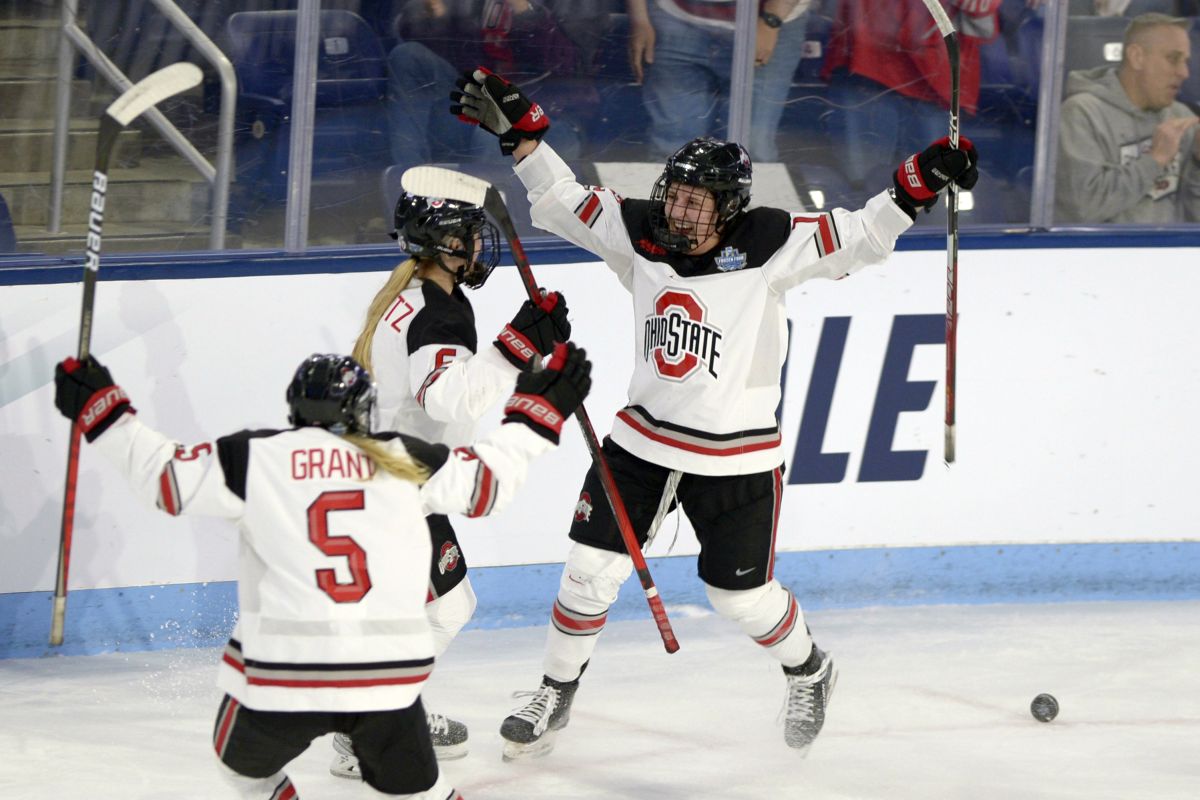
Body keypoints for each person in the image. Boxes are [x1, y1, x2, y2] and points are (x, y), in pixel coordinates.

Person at [449, 68, 978, 758]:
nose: (682, 213)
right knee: (588, 567)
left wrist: (920, 180)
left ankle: (809, 667)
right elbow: (558, 199)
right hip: (641, 441)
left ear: (729, 209)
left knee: (739, 599)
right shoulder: (637, 229)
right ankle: (555, 691)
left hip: (738, 455)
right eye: (678, 197)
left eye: (701, 203)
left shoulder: (771, 240)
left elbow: (862, 237)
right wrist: (522, 133)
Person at [51, 344, 592, 799]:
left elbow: (164, 476)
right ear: (363, 410)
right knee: (421, 792)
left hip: (283, 677)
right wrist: (538, 410)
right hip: (383, 680)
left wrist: (103, 410)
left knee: (240, 768)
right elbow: (487, 482)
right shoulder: (399, 458)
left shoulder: (255, 456)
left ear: (295, 408)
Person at [327, 190, 572, 777]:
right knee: (450, 606)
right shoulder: (439, 310)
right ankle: (372, 723)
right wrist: (518, 346)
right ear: (441, 245)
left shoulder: (409, 295)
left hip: (382, 478)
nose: (475, 246)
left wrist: (523, 353)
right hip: (399, 488)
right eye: (465, 237)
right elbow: (445, 396)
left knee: (417, 610)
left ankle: (378, 714)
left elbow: (449, 380)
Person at [386, 0, 598, 167]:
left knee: (497, 133)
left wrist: (523, 10)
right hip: (481, 107)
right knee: (408, 57)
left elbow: (570, 66)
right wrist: (437, 15)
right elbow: (461, 59)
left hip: (553, 121)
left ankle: (484, 217)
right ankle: (409, 188)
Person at [819, 0, 1004, 190]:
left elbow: (982, 16)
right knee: (861, 187)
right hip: (871, 63)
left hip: (932, 73)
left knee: (933, 188)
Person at [1055, 13, 1200, 223]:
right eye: (1173, 59)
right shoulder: (1081, 114)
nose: (1184, 72)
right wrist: (1155, 160)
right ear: (1137, 57)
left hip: (1172, 253)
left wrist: (1198, 164)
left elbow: (1194, 218)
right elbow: (1082, 210)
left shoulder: (1180, 116)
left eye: (1185, 62)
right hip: (1106, 253)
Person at [626, 0, 813, 162]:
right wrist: (639, 18)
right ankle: (671, 202)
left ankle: (744, 203)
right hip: (676, 16)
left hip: (770, 23)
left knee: (752, 150)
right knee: (673, 146)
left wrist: (771, 21)